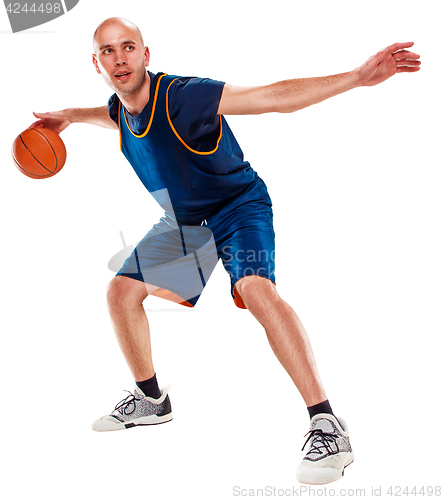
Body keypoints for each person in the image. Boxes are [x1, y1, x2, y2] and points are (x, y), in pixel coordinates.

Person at [32, 17, 420, 485]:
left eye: (128, 47)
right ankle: (151, 399)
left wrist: (357, 77)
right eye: (109, 51)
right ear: (96, 63)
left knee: (256, 289)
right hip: (186, 224)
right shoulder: (119, 108)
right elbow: (109, 114)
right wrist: (70, 116)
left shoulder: (183, 97)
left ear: (146, 55)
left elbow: (271, 97)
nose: (120, 58)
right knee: (120, 293)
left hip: (239, 208)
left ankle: (327, 423)